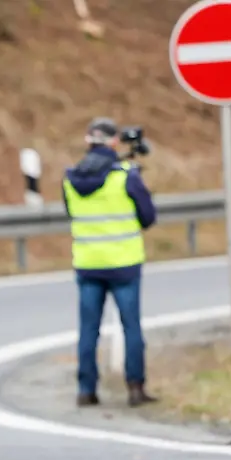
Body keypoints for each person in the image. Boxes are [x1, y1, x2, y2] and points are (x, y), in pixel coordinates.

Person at [61, 117, 158, 408]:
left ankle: (86, 390)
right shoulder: (126, 175)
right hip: (125, 265)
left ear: (88, 141)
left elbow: (72, 214)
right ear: (114, 142)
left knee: (89, 329)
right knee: (131, 327)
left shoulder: (70, 178)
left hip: (88, 263)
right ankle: (136, 388)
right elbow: (148, 217)